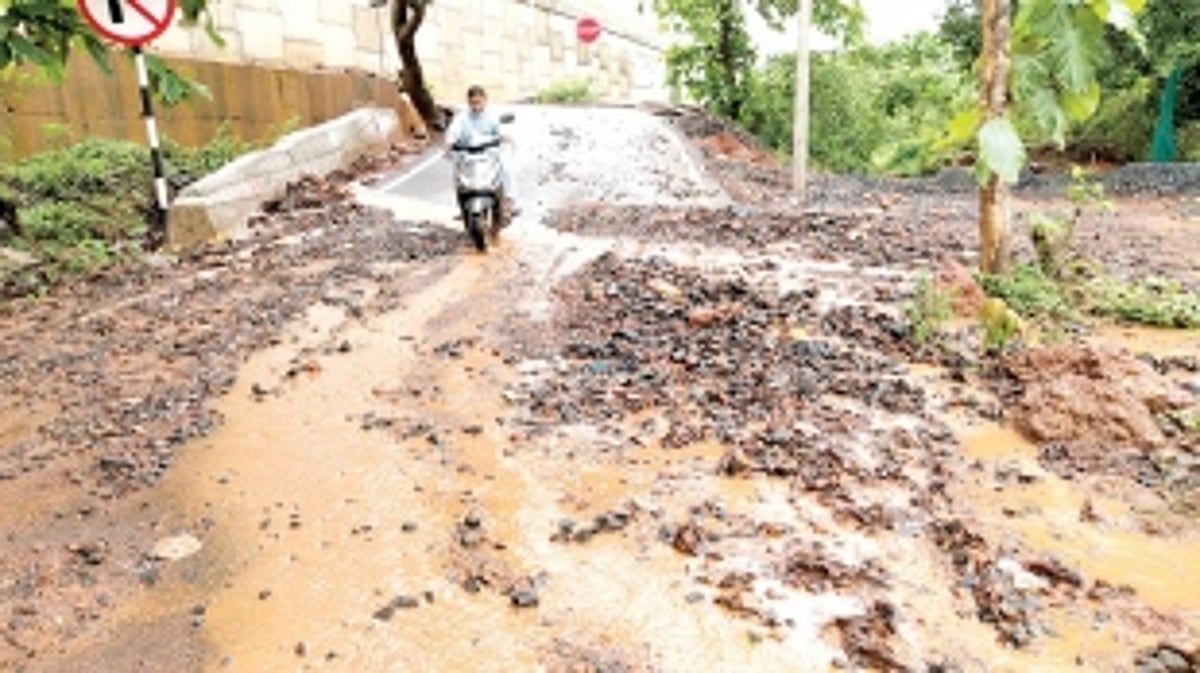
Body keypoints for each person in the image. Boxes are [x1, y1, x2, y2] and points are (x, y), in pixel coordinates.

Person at [444, 85, 519, 217]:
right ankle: (463, 205)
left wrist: (505, 137)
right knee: (457, 175)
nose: (476, 106)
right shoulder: (462, 118)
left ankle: (509, 201)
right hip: (467, 154)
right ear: (468, 102)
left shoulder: (492, 116)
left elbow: (501, 130)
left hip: (490, 154)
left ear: (485, 100)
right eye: (472, 103)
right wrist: (448, 144)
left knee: (506, 167)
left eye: (478, 102)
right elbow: (453, 132)